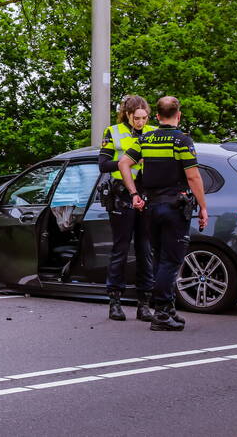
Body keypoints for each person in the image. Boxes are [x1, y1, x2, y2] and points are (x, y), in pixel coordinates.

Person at [118, 96, 209, 331]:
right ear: (178, 115)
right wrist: (203, 207)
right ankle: (160, 315)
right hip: (174, 208)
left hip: (150, 207)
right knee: (171, 261)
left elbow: (123, 163)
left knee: (159, 258)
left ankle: (168, 309)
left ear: (157, 116)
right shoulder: (182, 141)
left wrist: (134, 194)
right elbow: (192, 176)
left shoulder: (146, 139)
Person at [98, 95, 155, 322]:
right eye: (137, 118)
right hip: (122, 194)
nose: (141, 122)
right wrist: (129, 162)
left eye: (144, 117)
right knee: (120, 248)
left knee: (145, 249)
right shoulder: (113, 132)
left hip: (146, 193)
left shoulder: (153, 132)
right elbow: (103, 164)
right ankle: (115, 301)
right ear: (128, 114)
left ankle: (144, 304)